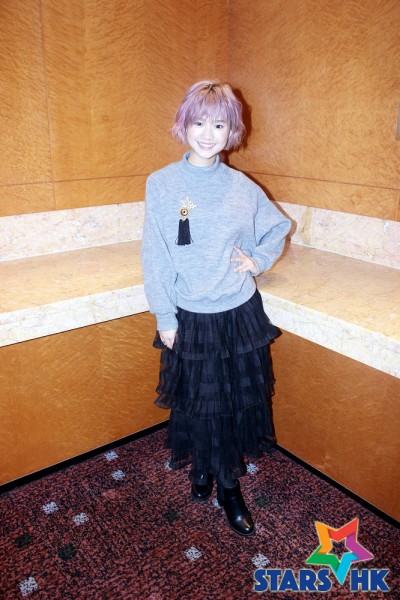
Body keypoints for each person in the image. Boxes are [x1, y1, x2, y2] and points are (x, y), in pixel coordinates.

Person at [141, 81, 291, 537]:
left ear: (232, 131)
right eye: (200, 122)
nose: (208, 134)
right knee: (198, 402)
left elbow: (278, 227)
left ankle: (228, 486)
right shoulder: (162, 183)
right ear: (184, 124)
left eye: (220, 124)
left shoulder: (242, 187)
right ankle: (202, 467)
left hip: (237, 313)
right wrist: (164, 316)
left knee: (227, 406)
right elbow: (156, 255)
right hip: (190, 315)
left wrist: (257, 260)